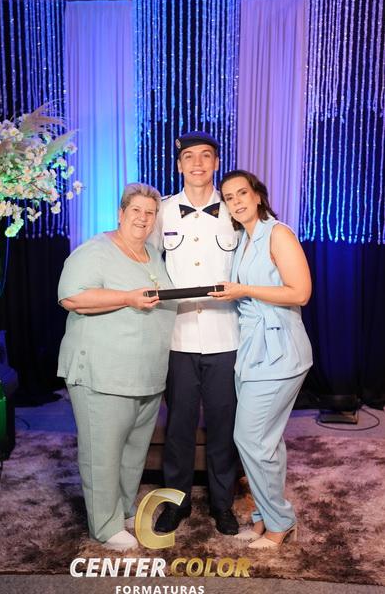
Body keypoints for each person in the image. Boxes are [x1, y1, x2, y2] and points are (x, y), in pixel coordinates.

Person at [57, 183, 177, 552]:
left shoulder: (152, 254)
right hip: (103, 372)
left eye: (150, 213)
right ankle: (105, 526)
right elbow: (71, 297)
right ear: (121, 213)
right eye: (136, 210)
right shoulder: (95, 250)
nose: (143, 218)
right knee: (103, 454)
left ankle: (123, 510)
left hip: (146, 375)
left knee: (133, 452)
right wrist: (126, 298)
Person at [209, 169, 312, 549]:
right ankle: (265, 517)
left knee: (249, 438)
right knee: (266, 441)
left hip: (280, 350)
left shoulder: (278, 233)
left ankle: (280, 521)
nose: (236, 202)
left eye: (241, 193)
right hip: (252, 350)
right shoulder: (243, 239)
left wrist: (244, 289)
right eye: (228, 197)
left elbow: (300, 293)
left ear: (257, 195)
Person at [150, 131, 241, 535]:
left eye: (206, 156)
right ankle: (176, 503)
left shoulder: (235, 210)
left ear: (217, 163)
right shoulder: (163, 211)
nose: (198, 163)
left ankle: (223, 504)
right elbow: (146, 261)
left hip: (227, 336)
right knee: (179, 426)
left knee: (224, 425)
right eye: (189, 157)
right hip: (179, 336)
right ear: (179, 165)